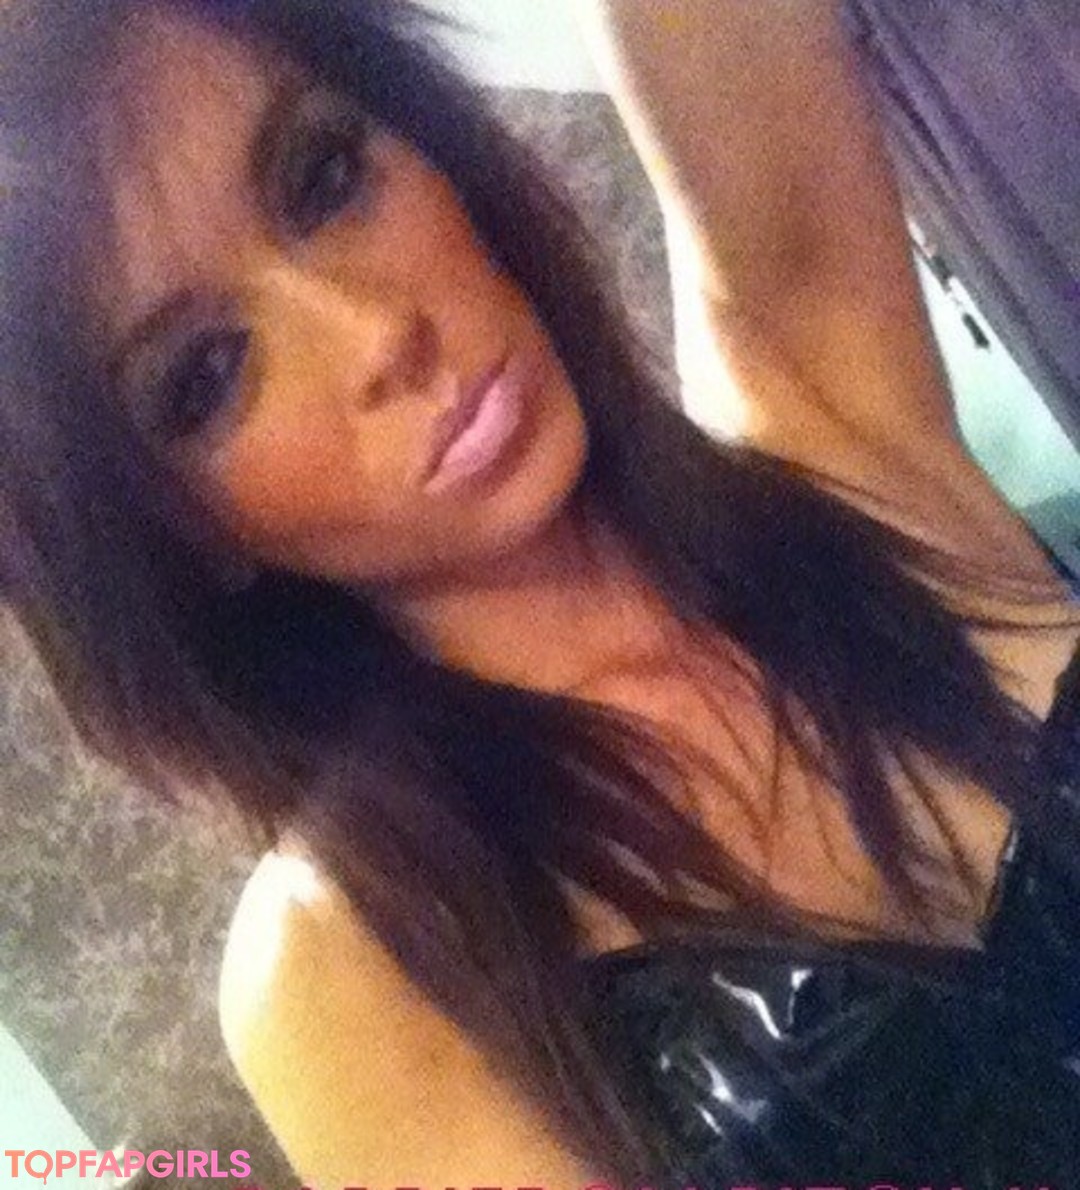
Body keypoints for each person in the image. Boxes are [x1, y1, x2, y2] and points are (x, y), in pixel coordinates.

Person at [2, 1, 1080, 1186]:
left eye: (324, 176)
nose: (376, 332)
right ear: (173, 537)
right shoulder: (359, 965)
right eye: (208, 375)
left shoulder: (830, 429)